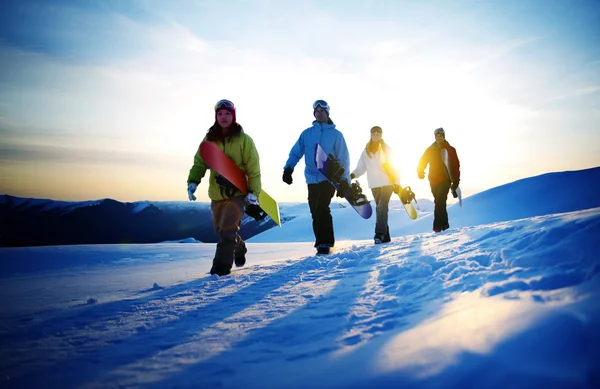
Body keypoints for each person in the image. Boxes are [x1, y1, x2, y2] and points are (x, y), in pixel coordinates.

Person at [187, 99, 262, 276]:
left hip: (237, 193)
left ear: (233, 116)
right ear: (216, 116)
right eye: (220, 114)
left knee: (228, 228)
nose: (223, 117)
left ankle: (220, 268)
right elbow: (200, 162)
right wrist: (193, 181)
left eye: (227, 113)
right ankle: (239, 247)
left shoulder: (245, 140)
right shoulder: (210, 139)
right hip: (217, 193)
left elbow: (254, 169)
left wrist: (254, 193)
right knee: (221, 231)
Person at [282, 99, 351, 255]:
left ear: (327, 113)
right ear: (314, 114)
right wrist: (288, 168)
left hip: (329, 178)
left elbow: (344, 159)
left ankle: (326, 242)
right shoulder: (307, 134)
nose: (319, 113)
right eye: (317, 111)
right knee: (315, 210)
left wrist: (345, 182)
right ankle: (320, 241)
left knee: (321, 207)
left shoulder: (336, 135)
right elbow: (296, 152)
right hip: (311, 178)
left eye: (322, 111)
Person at [350, 126, 402, 244]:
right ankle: (386, 236)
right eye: (374, 133)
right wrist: (353, 175)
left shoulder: (387, 149)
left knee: (382, 207)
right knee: (380, 209)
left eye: (378, 134)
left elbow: (395, 166)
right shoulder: (366, 151)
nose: (376, 136)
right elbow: (361, 167)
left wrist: (397, 182)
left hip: (387, 183)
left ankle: (379, 234)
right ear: (371, 135)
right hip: (374, 184)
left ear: (381, 135)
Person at [417, 127, 460, 232]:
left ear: (444, 136)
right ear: (435, 137)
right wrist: (420, 171)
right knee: (439, 202)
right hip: (433, 180)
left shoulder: (450, 149)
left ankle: (437, 226)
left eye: (441, 136)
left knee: (440, 201)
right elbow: (422, 161)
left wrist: (456, 181)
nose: (439, 137)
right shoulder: (430, 149)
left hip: (446, 179)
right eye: (437, 136)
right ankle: (445, 225)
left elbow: (456, 165)